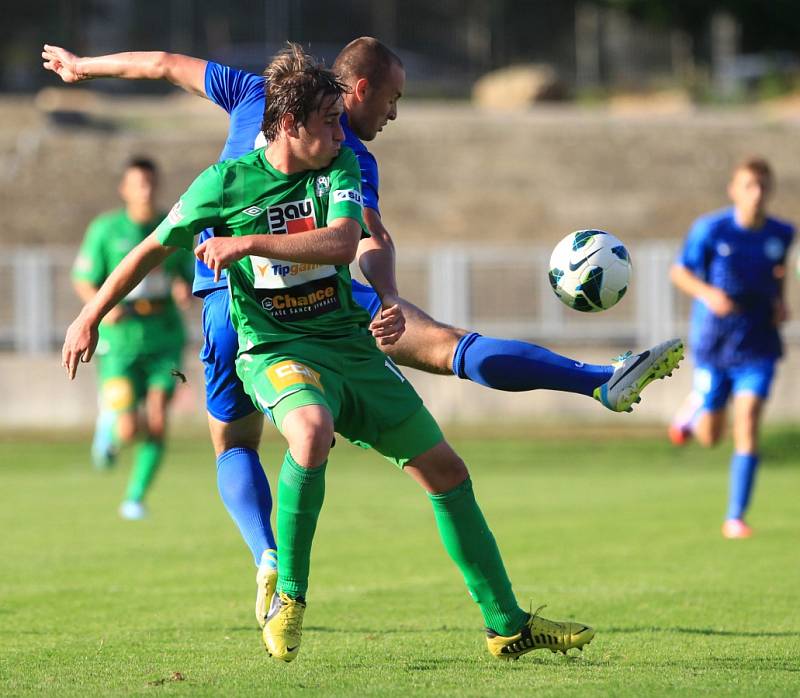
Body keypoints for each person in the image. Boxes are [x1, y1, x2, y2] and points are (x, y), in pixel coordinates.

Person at [44, 37, 682, 624]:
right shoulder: (349, 154)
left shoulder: (255, 94)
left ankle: (267, 556)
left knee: (238, 446)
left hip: (240, 294)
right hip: (252, 298)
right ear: (357, 91)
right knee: (440, 345)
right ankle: (594, 381)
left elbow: (162, 65)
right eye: (393, 98)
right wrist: (386, 295)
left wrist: (84, 67)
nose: (395, 113)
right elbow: (365, 238)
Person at [669, 157, 794, 539]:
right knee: (710, 438)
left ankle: (735, 516)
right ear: (734, 190)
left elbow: (778, 272)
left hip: (758, 342)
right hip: (716, 341)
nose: (756, 194)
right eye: (749, 186)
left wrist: (780, 302)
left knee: (750, 419)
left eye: (762, 187)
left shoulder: (782, 233)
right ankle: (696, 407)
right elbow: (680, 272)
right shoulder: (710, 229)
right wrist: (709, 295)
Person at [71, 157, 194, 519]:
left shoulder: (170, 225)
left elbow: (182, 271)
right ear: (124, 189)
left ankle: (135, 498)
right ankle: (110, 424)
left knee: (157, 418)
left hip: (164, 336)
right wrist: (102, 308)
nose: (146, 190)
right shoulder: (106, 230)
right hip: (120, 338)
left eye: (151, 183)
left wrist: (181, 288)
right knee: (129, 429)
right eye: (138, 183)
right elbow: (83, 278)